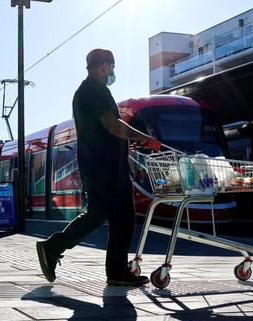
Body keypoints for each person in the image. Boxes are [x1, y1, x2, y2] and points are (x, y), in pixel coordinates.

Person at [36, 48, 161, 287]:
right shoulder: (96, 90)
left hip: (98, 164)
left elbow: (102, 131)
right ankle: (111, 270)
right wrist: (142, 138)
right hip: (106, 168)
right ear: (104, 65)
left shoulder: (86, 91)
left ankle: (59, 249)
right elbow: (112, 125)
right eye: (112, 67)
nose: (113, 72)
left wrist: (126, 147)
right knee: (123, 216)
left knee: (100, 214)